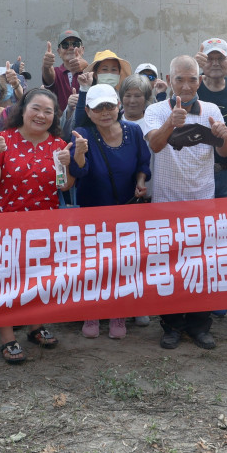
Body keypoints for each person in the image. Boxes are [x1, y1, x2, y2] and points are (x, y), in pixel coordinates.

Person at [143, 56, 227, 350]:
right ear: (169, 81)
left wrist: (224, 137)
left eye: (192, 79)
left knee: (201, 268)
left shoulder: (212, 109)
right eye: (179, 79)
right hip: (166, 203)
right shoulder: (155, 110)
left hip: (202, 202)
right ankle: (170, 326)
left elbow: (224, 153)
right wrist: (172, 121)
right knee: (167, 267)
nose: (186, 85)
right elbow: (155, 145)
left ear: (200, 80)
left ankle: (200, 326)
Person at [0, 87, 75, 363]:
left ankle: (36, 327)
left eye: (48, 111)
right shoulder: (2, 140)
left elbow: (63, 186)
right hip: (5, 224)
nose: (41, 115)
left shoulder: (58, 145)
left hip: (44, 224)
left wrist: (70, 165)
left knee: (39, 276)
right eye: (36, 108)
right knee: (7, 279)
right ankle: (7, 338)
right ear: (22, 110)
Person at [69, 84, 151, 339]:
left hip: (126, 210)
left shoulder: (134, 131)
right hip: (92, 210)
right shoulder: (82, 133)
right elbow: (79, 172)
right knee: (93, 264)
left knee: (123, 263)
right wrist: (80, 154)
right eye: (98, 108)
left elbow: (143, 162)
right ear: (89, 111)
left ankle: (119, 313)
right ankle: (92, 312)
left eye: (110, 106)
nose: (105, 112)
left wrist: (140, 183)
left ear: (119, 106)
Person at [196, 38, 227, 198]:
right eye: (210, 59)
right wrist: (193, 68)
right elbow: (174, 102)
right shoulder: (193, 87)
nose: (215, 63)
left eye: (220, 58)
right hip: (197, 171)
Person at [42, 29, 87, 110]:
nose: (71, 48)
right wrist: (46, 66)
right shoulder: (56, 72)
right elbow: (49, 75)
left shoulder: (90, 71)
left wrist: (86, 66)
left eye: (75, 44)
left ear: (82, 49)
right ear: (59, 52)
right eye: (65, 45)